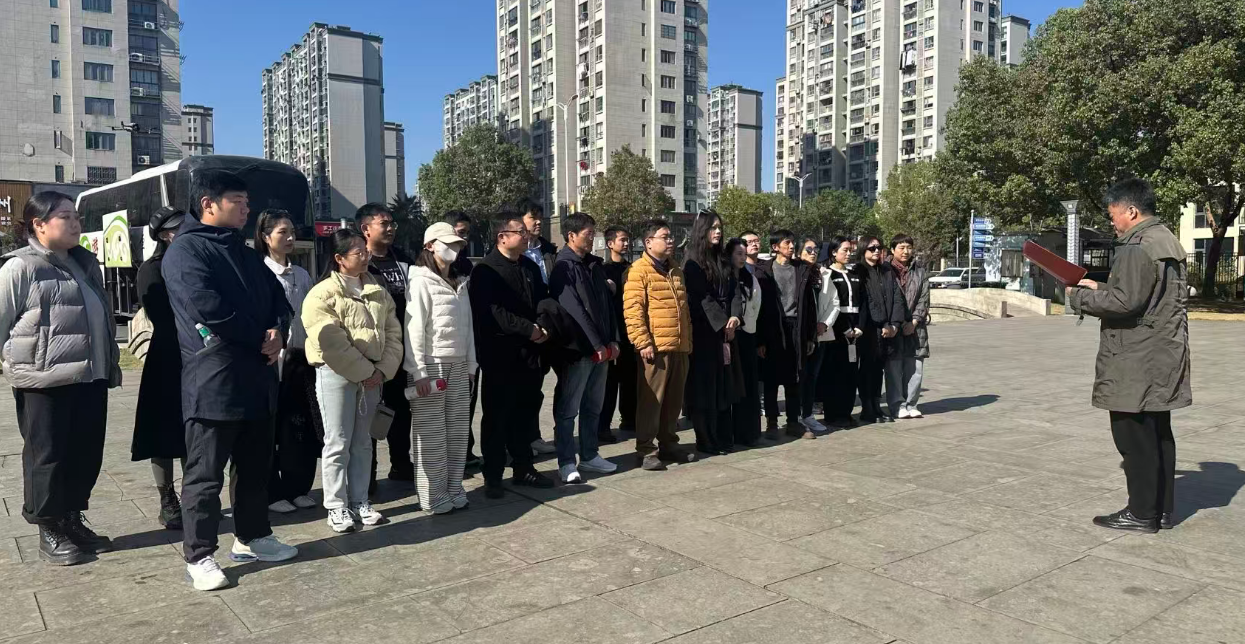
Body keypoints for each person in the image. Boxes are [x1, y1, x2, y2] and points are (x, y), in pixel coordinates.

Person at [163, 170, 298, 590]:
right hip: (215, 379)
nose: (246, 209)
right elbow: (208, 308)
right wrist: (261, 337)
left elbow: (278, 300)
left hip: (258, 377)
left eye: (246, 202)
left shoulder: (242, 250)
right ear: (208, 205)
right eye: (237, 202)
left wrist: (278, 330)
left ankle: (253, 536)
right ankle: (199, 553)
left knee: (255, 467)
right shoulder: (186, 251)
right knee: (205, 474)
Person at [0, 192, 121, 566]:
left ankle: (71, 519)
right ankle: (48, 527)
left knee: (85, 454)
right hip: (44, 382)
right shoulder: (20, 267)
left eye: (76, 217)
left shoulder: (84, 263)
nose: (75, 223)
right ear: (39, 224)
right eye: (65, 217)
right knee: (47, 457)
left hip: (91, 376)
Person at [1068, 179, 1190, 533]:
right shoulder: (1164, 239)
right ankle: (1161, 510)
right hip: (1160, 351)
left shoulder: (1137, 246)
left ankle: (1140, 513)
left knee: (1133, 436)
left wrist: (1078, 297)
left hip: (1135, 355)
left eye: (1113, 215)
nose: (1112, 222)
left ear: (1132, 211)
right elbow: (1143, 295)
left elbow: (1126, 303)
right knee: (1158, 433)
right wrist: (1100, 287)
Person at [302, 229, 402, 532]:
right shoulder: (321, 294)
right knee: (337, 441)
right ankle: (336, 506)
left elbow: (393, 333)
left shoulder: (377, 290)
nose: (365, 256)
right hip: (336, 374)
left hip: (372, 376)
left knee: (363, 442)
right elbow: (331, 342)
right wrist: (366, 372)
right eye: (358, 252)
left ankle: (360, 501)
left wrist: (382, 371)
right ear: (339, 258)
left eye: (365, 251)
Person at [469, 212, 556, 498]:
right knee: (497, 417)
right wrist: (528, 329)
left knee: (525, 414)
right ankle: (493, 475)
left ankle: (524, 468)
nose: (526, 235)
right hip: (501, 355)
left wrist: (542, 326)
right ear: (502, 237)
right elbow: (492, 313)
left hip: (530, 354)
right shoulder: (486, 271)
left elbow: (543, 300)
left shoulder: (528, 266)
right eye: (520, 231)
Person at [403, 223, 475, 514]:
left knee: (457, 433)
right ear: (430, 245)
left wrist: (471, 366)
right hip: (432, 366)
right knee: (432, 436)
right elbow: (414, 329)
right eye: (448, 243)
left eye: (457, 244)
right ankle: (432, 496)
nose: (454, 248)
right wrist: (418, 371)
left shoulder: (460, 282)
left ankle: (454, 487)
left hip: (459, 364)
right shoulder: (420, 281)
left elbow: (468, 327)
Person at [547, 213, 620, 483]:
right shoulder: (563, 268)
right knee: (568, 409)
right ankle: (566, 462)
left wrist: (613, 340)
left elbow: (607, 306)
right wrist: (595, 344)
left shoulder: (593, 265)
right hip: (579, 351)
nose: (592, 238)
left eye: (593, 233)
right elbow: (574, 311)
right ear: (571, 236)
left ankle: (590, 455)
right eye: (588, 234)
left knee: (593, 406)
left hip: (603, 349)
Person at [256, 210, 319, 513]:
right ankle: (272, 492)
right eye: (283, 232)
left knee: (299, 427)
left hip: (300, 361)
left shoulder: (302, 275)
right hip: (270, 362)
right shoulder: (259, 272)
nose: (291, 237)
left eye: (292, 231)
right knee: (269, 430)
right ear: (265, 237)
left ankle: (298, 487)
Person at [623, 220, 698, 470]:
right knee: (651, 402)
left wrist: (687, 341)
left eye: (671, 237)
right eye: (664, 237)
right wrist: (642, 341)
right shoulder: (638, 271)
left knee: (673, 402)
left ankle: (669, 444)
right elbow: (633, 311)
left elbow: (684, 311)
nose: (670, 241)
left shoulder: (676, 270)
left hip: (679, 346)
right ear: (648, 242)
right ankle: (646, 449)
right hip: (654, 348)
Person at [133, 207, 187, 530]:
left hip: (197, 357)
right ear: (165, 235)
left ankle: (193, 496)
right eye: (180, 229)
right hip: (167, 357)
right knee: (163, 432)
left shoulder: (195, 262)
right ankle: (167, 499)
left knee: (193, 431)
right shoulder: (152, 270)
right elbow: (161, 315)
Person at [357, 203, 415, 484]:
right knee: (367, 415)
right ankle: (367, 477)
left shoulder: (403, 259)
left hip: (399, 349)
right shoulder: (358, 262)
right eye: (384, 223)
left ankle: (401, 465)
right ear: (365, 229)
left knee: (400, 410)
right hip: (368, 353)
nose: (390, 228)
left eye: (392, 223)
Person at [683, 212, 744, 454]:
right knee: (704, 387)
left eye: (720, 227)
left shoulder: (723, 259)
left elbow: (735, 292)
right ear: (702, 230)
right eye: (713, 227)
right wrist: (722, 323)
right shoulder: (692, 260)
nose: (718, 232)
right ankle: (704, 438)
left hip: (726, 330)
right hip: (704, 332)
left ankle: (721, 436)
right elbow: (702, 297)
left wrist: (735, 317)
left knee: (723, 386)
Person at [755, 229, 820, 440]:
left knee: (795, 378)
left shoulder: (802, 269)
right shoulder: (764, 271)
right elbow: (759, 309)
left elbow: (810, 306)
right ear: (775, 247)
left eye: (793, 243)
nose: (792, 247)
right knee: (771, 379)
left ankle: (793, 422)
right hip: (773, 329)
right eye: (787, 243)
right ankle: (772, 423)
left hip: (797, 328)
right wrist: (760, 340)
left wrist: (810, 336)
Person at [854, 236, 907, 424]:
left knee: (878, 370)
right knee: (867, 369)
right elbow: (867, 301)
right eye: (872, 248)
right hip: (869, 329)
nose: (876, 251)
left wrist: (895, 324)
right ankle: (867, 407)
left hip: (888, 330)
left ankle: (876, 405)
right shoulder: (859, 271)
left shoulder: (886, 270)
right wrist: (883, 323)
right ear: (863, 250)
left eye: (879, 247)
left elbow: (898, 298)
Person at [519, 202, 558, 456]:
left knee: (536, 389)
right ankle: (519, 441)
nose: (538, 222)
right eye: (532, 217)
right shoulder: (513, 253)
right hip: (524, 329)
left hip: (547, 326)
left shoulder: (548, 250)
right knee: (522, 390)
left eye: (540, 217)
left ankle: (533, 437)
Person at [446, 211, 483, 470]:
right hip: (445, 349)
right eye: (460, 233)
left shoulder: (467, 266)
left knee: (467, 402)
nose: (464, 239)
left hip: (470, 345)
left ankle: (464, 451)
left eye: (467, 233)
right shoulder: (428, 269)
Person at [885, 234, 930, 420]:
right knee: (894, 368)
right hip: (894, 326)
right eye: (901, 247)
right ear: (892, 249)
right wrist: (898, 322)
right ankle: (897, 405)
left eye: (909, 247)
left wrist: (914, 321)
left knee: (915, 367)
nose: (906, 251)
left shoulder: (920, 271)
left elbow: (924, 299)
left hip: (915, 328)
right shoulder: (885, 270)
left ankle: (912, 404)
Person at [821, 236, 864, 428]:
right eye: (844, 250)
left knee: (851, 373)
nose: (848, 253)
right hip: (837, 327)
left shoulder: (854, 274)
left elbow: (863, 301)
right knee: (834, 373)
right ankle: (833, 413)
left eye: (850, 250)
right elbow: (831, 304)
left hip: (856, 328)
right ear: (833, 252)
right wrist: (844, 328)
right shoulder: (828, 274)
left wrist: (859, 326)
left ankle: (846, 412)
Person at [599, 225, 635, 445]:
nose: (626, 243)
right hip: (613, 332)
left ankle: (630, 419)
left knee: (631, 379)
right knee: (609, 383)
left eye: (627, 239)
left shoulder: (633, 269)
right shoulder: (602, 270)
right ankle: (603, 426)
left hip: (631, 331)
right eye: (622, 240)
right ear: (610, 243)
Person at [726, 237, 763, 446]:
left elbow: (756, 305)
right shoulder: (724, 276)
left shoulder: (750, 278)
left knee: (748, 385)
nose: (742, 258)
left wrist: (747, 324)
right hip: (728, 335)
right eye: (738, 254)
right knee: (732, 385)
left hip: (747, 334)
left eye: (744, 254)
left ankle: (748, 433)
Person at [800, 237, 835, 434]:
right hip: (800, 335)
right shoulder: (796, 272)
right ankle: (795, 416)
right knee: (799, 377)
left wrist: (825, 323)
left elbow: (834, 302)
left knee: (812, 376)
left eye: (815, 250)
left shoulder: (824, 274)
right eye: (809, 249)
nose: (813, 253)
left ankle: (807, 415)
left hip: (819, 334)